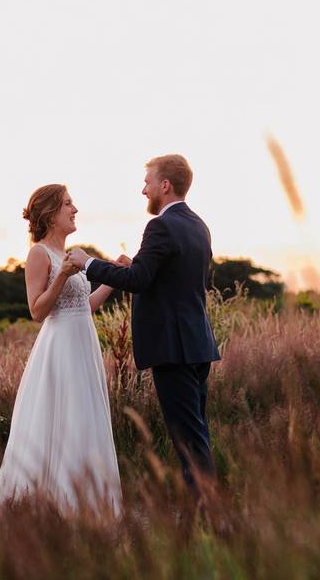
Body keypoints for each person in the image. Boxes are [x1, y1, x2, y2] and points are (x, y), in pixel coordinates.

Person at [67, 154, 220, 494]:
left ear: (165, 185)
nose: (143, 190)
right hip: (197, 344)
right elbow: (162, 277)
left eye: (148, 182)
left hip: (173, 348)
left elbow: (139, 280)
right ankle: (207, 509)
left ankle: (208, 514)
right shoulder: (198, 225)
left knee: (186, 438)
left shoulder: (161, 226)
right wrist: (124, 268)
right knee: (197, 433)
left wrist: (88, 263)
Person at [0, 184, 125, 516]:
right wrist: (62, 275)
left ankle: (87, 501)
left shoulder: (73, 252)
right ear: (51, 213)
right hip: (60, 348)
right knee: (63, 416)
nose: (75, 209)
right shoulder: (39, 254)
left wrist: (114, 277)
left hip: (84, 343)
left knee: (84, 417)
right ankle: (52, 504)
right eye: (68, 204)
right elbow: (37, 311)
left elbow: (86, 305)